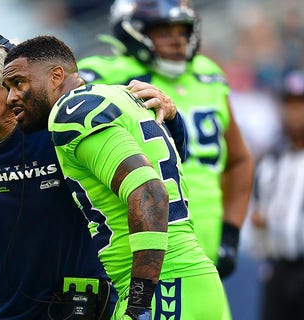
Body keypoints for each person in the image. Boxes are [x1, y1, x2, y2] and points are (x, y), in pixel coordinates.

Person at [0, 31, 177, 320]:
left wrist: (170, 120)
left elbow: (161, 173)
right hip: (8, 315)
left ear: (11, 88)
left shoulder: (60, 128)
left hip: (92, 310)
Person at [2, 35, 225, 319]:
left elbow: (149, 192)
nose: (11, 98)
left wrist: (140, 302)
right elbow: (170, 165)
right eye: (7, 88)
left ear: (56, 76)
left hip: (164, 288)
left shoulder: (69, 112)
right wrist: (174, 121)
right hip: (188, 281)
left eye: (18, 83)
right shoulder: (120, 96)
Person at [76, 0, 254, 283]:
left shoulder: (207, 74)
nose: (176, 40)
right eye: (163, 31)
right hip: (146, 245)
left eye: (182, 31)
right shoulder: (105, 75)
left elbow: (239, 160)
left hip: (206, 250)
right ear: (133, 33)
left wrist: (231, 233)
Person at [249, 69, 304, 320]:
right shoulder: (270, 162)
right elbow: (258, 218)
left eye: (301, 105)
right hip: (278, 270)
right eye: (290, 105)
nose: (295, 113)